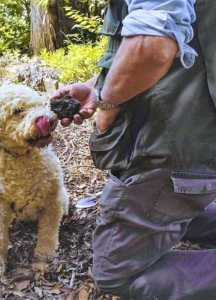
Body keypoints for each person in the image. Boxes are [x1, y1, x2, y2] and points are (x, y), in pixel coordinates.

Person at [51, 0, 216, 299]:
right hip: (202, 132)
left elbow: (152, 45)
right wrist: (98, 86)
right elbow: (185, 41)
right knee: (180, 201)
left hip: (179, 145)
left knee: (116, 274)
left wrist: (108, 104)